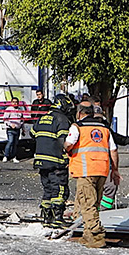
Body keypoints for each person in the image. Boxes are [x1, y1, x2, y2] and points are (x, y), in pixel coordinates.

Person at [64, 102, 119, 248]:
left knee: (87, 204)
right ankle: (87, 235)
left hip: (85, 170)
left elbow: (69, 144)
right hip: (102, 170)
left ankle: (96, 236)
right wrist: (115, 170)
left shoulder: (77, 127)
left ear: (80, 113)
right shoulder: (104, 128)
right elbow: (113, 150)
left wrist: (65, 148)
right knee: (94, 204)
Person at [31, 94, 73, 228]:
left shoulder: (42, 117)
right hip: (56, 160)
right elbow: (63, 141)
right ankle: (58, 218)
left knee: (47, 189)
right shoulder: (62, 119)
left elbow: (32, 133)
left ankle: (46, 217)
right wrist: (67, 156)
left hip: (41, 160)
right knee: (59, 190)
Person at [93, 103, 129, 210]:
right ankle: (100, 210)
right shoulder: (103, 128)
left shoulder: (103, 128)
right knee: (107, 187)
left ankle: (99, 209)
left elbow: (116, 140)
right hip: (100, 164)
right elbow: (114, 148)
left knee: (102, 187)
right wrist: (115, 169)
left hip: (97, 164)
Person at [2, 97, 23, 163]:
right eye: (13, 102)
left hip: (17, 129)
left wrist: (23, 128)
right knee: (10, 141)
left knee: (15, 144)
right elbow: (5, 119)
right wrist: (11, 125)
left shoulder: (20, 110)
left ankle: (13, 157)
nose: (15, 103)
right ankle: (6, 156)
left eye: (16, 102)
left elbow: (22, 120)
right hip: (10, 129)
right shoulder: (9, 109)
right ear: (11, 103)